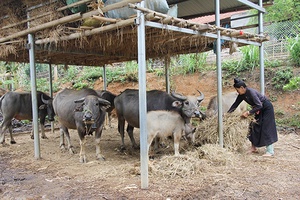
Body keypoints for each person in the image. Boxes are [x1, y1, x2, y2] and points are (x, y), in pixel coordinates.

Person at [228, 78, 278, 157]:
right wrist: (228, 114)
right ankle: (253, 147)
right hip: (257, 109)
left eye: (237, 90)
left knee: (266, 127)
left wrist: (249, 112)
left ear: (242, 88)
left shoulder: (251, 92)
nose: (237, 92)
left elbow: (259, 105)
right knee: (253, 126)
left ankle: (270, 151)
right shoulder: (241, 95)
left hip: (266, 108)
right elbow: (235, 104)